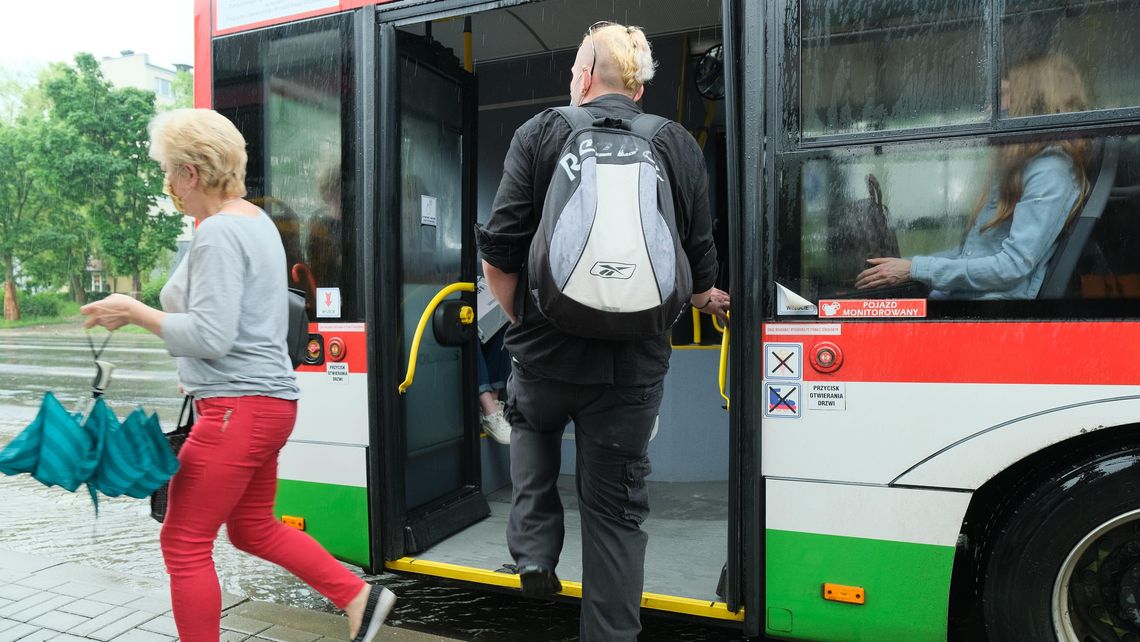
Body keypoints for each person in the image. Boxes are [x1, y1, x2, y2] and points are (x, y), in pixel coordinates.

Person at [79, 108, 394, 642]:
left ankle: (355, 596)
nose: (167, 182)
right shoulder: (253, 221)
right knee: (252, 528)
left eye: (168, 170)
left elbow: (211, 335)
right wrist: (197, 371)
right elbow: (241, 324)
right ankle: (358, 595)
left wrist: (133, 311)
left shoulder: (220, 233)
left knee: (183, 542)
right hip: (262, 406)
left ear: (191, 173)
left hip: (237, 411)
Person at [475, 21, 730, 641]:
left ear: (585, 77)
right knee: (616, 514)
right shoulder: (675, 143)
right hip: (631, 368)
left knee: (531, 426)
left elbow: (500, 251)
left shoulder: (542, 131)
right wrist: (706, 296)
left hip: (546, 353)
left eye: (573, 74)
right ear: (639, 87)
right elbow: (697, 264)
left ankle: (535, 552)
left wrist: (524, 325)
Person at [855, 54, 1092, 299]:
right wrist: (899, 266)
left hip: (990, 317)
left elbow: (1012, 267)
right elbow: (968, 257)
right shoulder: (1019, 169)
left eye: (1004, 96)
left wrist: (915, 269)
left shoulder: (1050, 172)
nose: (991, 109)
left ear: (1034, 102)